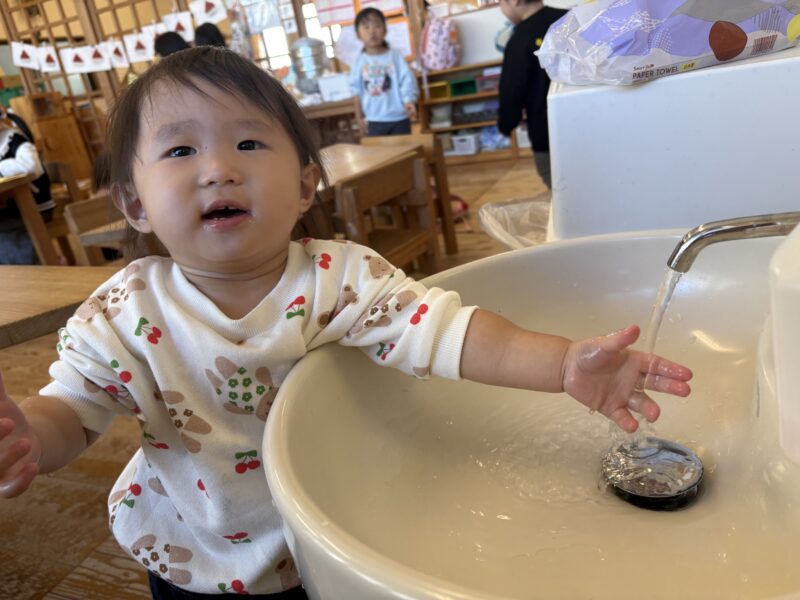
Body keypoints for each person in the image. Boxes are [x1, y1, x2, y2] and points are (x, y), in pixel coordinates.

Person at [0, 48, 692, 598]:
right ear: (134, 203)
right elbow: (75, 408)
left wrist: (561, 363)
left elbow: (448, 333)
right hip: (189, 555)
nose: (217, 170)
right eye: (180, 151)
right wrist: (28, 436)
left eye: (248, 143)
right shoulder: (123, 311)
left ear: (305, 185)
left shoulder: (338, 278)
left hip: (319, 540)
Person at [496, 0, 566, 189]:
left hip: (547, 132)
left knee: (559, 186)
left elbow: (512, 90)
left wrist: (506, 123)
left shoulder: (519, 39)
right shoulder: (568, 19)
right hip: (591, 120)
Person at [350, 7, 419, 136]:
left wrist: (409, 100)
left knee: (403, 148)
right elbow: (356, 92)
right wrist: (359, 118)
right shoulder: (359, 62)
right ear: (358, 34)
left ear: (385, 29)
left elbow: (407, 81)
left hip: (399, 118)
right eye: (366, 27)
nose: (372, 31)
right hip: (373, 120)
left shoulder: (395, 57)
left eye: (377, 26)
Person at [0, 106, 54, 264]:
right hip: (11, 209)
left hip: (34, 207)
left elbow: (31, 166)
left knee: (5, 228)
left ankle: (32, 269)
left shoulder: (14, 139)